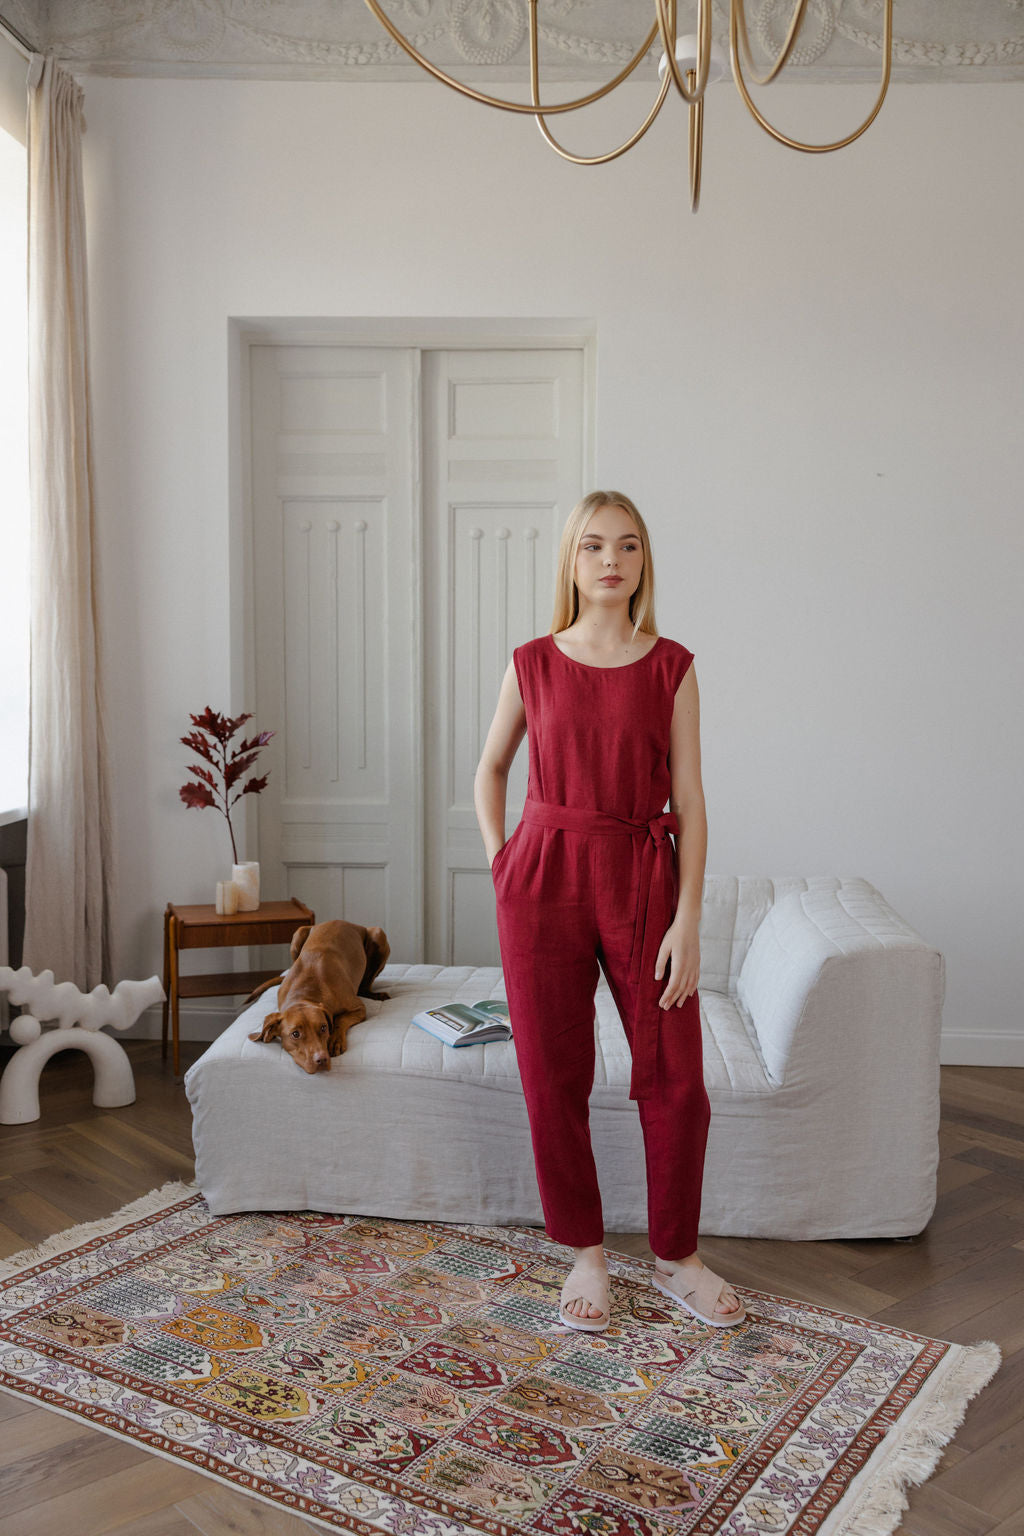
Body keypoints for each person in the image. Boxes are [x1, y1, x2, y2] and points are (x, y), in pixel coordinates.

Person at [473, 490, 745, 1332]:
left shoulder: (673, 666)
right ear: (571, 560)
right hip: (542, 879)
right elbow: (489, 771)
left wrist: (688, 918)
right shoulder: (532, 662)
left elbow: (691, 802)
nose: (610, 560)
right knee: (552, 1074)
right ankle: (585, 1255)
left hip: (642, 874)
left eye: (627, 546)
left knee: (677, 1080)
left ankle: (676, 1258)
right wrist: (504, 863)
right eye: (593, 546)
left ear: (643, 562)